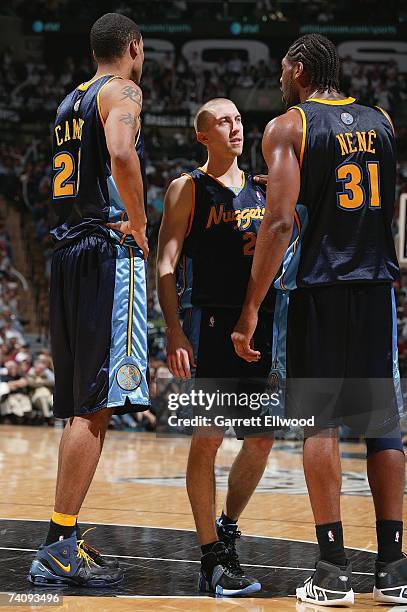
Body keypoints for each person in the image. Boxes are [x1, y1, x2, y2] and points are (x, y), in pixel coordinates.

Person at [232, 34, 406, 606]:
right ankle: (394, 565)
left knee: (321, 424)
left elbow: (279, 224)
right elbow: (360, 200)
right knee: (383, 427)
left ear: (299, 69)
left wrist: (251, 307)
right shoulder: (380, 121)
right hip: (376, 284)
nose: (281, 77)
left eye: (283, 67)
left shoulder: (290, 126)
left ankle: (332, 569)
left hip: (320, 288)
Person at [156, 98, 296, 596]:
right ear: (203, 135)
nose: (235, 127)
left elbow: (287, 242)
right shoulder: (186, 188)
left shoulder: (265, 188)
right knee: (208, 438)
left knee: (261, 439)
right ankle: (210, 555)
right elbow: (167, 262)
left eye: (238, 119)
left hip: (260, 323)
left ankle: (229, 528)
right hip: (212, 322)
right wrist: (174, 330)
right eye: (222, 121)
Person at [29, 13, 149, 587]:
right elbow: (122, 155)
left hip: (66, 249)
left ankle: (62, 536)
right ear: (133, 47)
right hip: (102, 246)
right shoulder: (122, 89)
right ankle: (59, 540)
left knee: (82, 404)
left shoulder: (67, 101)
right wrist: (141, 222)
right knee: (94, 405)